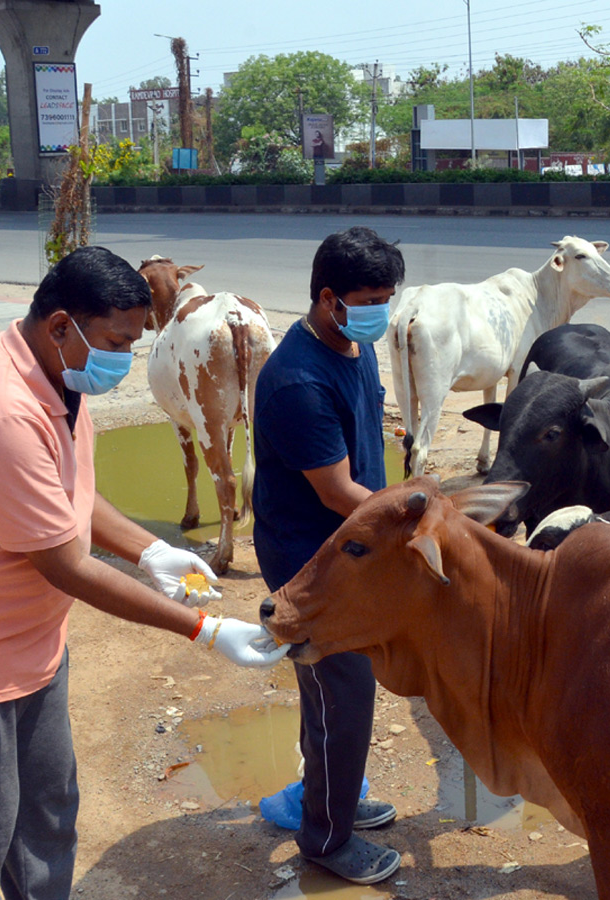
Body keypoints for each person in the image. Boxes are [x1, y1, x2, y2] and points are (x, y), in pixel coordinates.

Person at [0, 246, 287, 900]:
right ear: (62, 325)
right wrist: (205, 628)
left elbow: (67, 492)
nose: (124, 359)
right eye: (118, 341)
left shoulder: (58, 377)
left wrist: (148, 550)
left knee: (48, 816)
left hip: (36, 649)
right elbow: (67, 564)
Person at [252, 226, 405, 886]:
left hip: (351, 551)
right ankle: (326, 837)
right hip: (309, 567)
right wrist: (418, 523)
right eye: (369, 298)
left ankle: (332, 802)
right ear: (328, 299)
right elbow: (340, 491)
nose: (380, 310)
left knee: (339, 695)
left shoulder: (353, 345)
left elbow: (365, 446)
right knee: (341, 696)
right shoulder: (296, 382)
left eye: (387, 297)